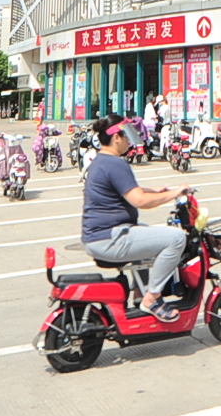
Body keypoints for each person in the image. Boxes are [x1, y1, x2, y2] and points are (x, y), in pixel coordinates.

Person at [81, 113, 188, 322]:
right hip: (109, 238)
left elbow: (127, 189)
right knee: (176, 239)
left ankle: (140, 293)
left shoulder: (102, 160)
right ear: (116, 137)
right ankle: (152, 298)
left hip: (101, 235)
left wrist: (155, 191)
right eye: (127, 135)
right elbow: (139, 200)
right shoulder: (115, 164)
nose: (130, 141)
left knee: (144, 231)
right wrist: (175, 193)